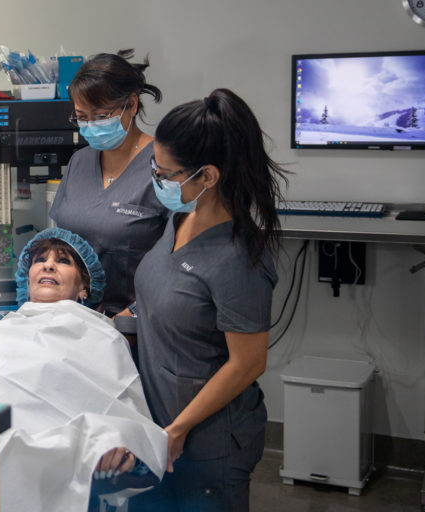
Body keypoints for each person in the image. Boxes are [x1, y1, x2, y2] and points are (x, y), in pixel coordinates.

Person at [106, 88, 289, 511]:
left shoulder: (239, 259)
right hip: (159, 425)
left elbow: (248, 362)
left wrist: (178, 430)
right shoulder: (178, 218)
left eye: (165, 174)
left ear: (207, 176)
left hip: (208, 441)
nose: (156, 180)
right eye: (154, 166)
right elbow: (162, 298)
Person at [0, 228, 168, 512]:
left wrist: (116, 446)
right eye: (40, 259)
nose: (48, 265)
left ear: (84, 288)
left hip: (32, 449)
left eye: (63, 261)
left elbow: (122, 412)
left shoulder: (102, 336)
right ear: (27, 278)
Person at [49, 49, 168, 316]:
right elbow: (58, 242)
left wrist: (134, 315)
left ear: (132, 105)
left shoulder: (165, 166)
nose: (91, 124)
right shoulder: (80, 162)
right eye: (81, 117)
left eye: (102, 116)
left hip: (141, 320)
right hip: (75, 315)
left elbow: (181, 258)